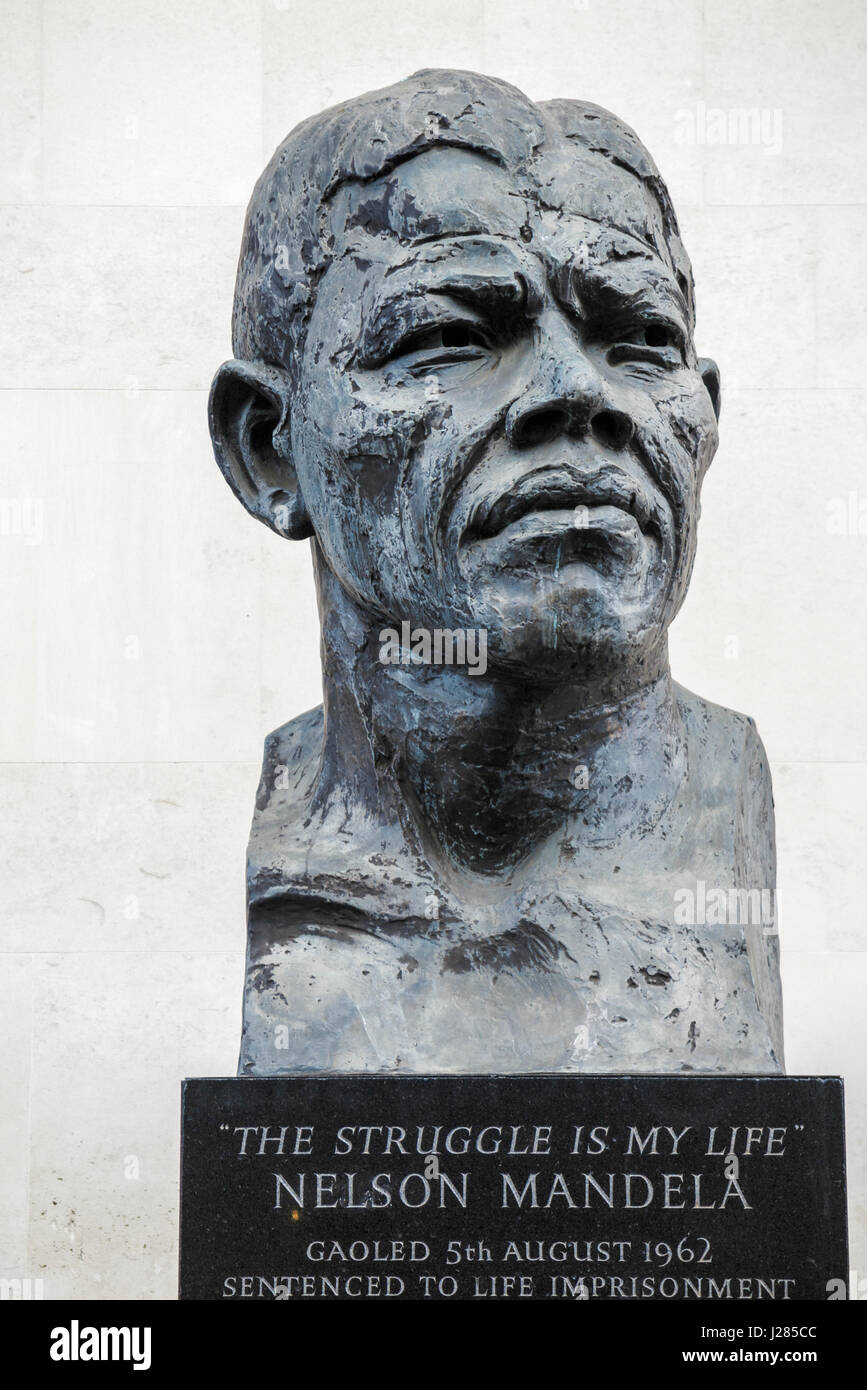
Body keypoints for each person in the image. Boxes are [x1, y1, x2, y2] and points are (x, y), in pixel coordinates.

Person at [209, 69, 782, 1075]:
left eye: (640, 341)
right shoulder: (299, 848)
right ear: (269, 449)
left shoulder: (718, 842)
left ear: (704, 420)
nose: (576, 392)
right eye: (449, 338)